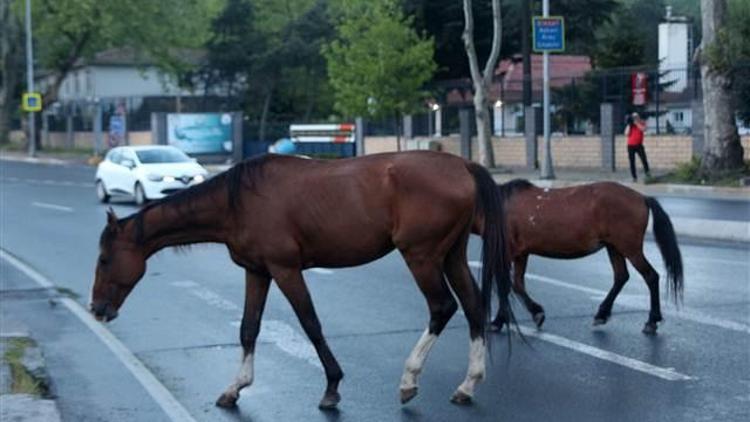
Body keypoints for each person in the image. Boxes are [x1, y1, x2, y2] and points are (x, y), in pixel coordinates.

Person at [624, 112, 650, 182]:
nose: (635, 118)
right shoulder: (630, 125)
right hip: (630, 145)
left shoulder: (641, 123)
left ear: (638, 117)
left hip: (639, 145)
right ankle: (634, 177)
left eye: (636, 117)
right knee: (632, 162)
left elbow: (644, 129)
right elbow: (626, 134)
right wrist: (629, 125)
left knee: (644, 159)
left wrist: (637, 123)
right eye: (634, 117)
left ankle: (648, 174)